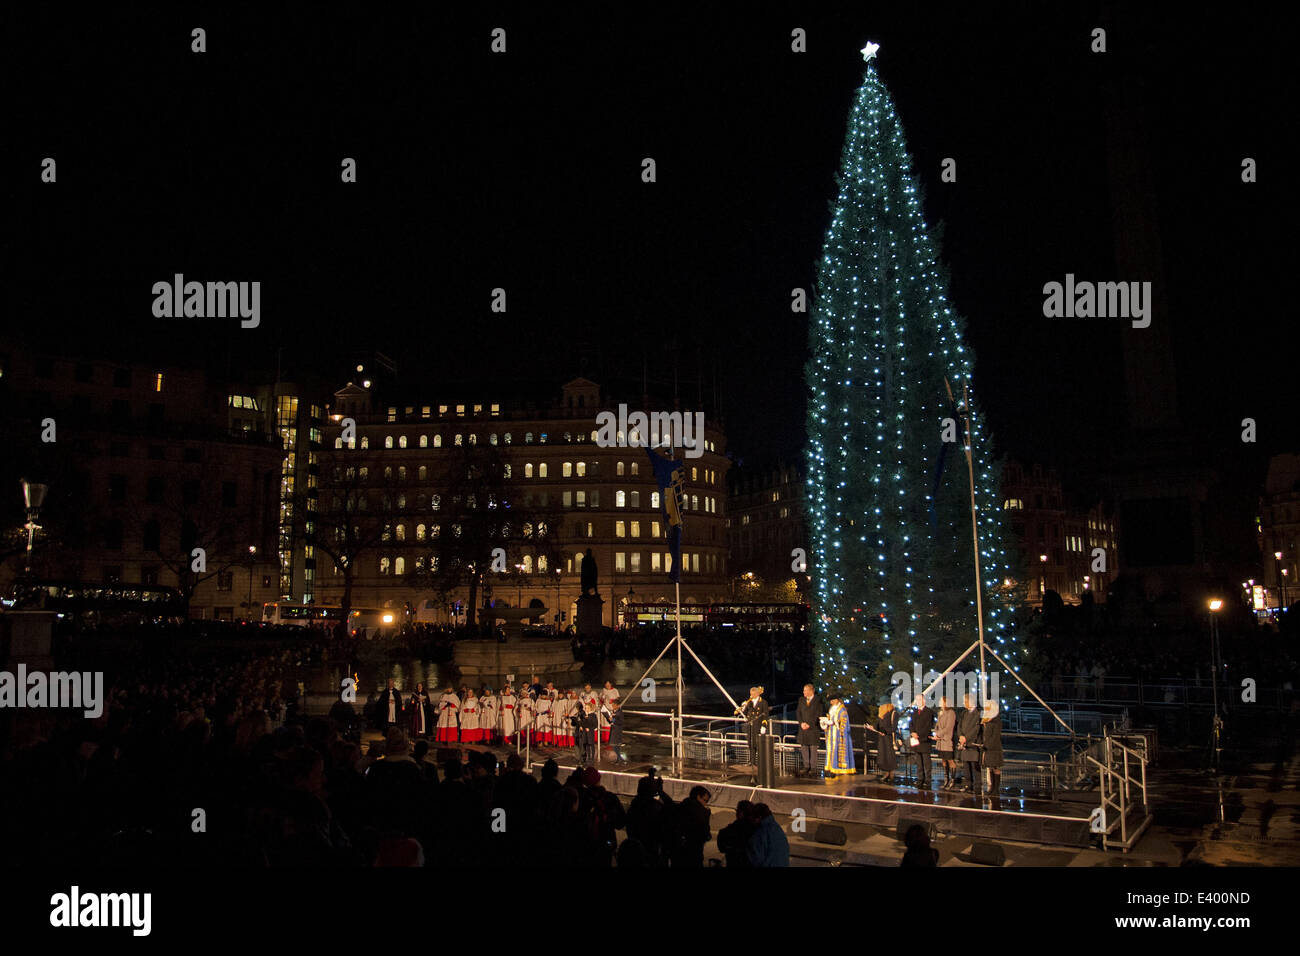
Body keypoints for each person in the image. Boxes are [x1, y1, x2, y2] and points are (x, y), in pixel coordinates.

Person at [671, 785, 712, 867]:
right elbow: (705, 834)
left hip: (677, 851)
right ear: (698, 797)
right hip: (693, 852)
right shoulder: (702, 812)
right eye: (705, 800)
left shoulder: (680, 806)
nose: (705, 804)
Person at [795, 683, 826, 777]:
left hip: (813, 728)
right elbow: (798, 712)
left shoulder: (818, 700)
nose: (804, 692)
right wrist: (801, 723)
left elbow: (819, 714)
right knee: (804, 747)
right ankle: (806, 766)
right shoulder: (801, 700)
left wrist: (810, 724)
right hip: (803, 728)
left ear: (811, 691)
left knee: (813, 748)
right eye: (803, 690)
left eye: (805, 690)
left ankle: (813, 768)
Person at [746, 803, 789, 867]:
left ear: (758, 818)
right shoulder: (777, 828)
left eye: (752, 818)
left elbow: (756, 859)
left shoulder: (760, 833)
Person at [716, 800, 756, 868]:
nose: (736, 813)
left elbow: (722, 845)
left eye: (737, 810)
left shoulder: (735, 827)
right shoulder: (757, 827)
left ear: (741, 813)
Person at [823, 693, 855, 776]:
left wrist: (835, 723)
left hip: (838, 733)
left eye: (833, 700)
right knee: (831, 750)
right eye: (831, 700)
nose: (831, 702)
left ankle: (837, 769)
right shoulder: (832, 708)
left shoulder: (842, 710)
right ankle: (830, 768)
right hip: (831, 732)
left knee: (837, 750)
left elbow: (843, 723)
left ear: (837, 700)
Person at [956, 693, 982, 795]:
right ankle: (968, 785)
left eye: (964, 700)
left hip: (973, 744)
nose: (963, 703)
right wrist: (961, 736)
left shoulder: (978, 713)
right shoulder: (964, 713)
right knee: (966, 766)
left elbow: (976, 728)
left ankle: (977, 786)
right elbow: (959, 726)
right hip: (964, 743)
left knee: (975, 767)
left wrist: (966, 738)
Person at [909, 693, 935, 790]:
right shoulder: (915, 712)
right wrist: (912, 733)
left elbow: (928, 726)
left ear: (924, 700)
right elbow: (911, 724)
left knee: (926, 762)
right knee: (919, 762)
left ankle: (928, 780)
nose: (918, 701)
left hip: (924, 740)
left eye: (920, 699)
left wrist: (919, 736)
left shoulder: (929, 712)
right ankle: (920, 778)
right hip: (916, 740)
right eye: (917, 699)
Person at [739, 686, 770, 765]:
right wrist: (744, 707)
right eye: (750, 694)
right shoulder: (749, 702)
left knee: (759, 744)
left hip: (758, 726)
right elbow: (745, 712)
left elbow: (765, 715)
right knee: (751, 743)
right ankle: (752, 761)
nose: (751, 696)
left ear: (757, 694)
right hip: (750, 725)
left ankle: (761, 762)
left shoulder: (763, 702)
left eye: (753, 694)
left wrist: (764, 726)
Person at [981, 698, 1004, 799]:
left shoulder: (996, 720)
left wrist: (988, 744)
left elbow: (995, 735)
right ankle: (992, 788)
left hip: (994, 747)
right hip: (988, 747)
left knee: (996, 767)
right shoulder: (987, 719)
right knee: (990, 766)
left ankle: (996, 789)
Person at [936, 696, 958, 790]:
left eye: (941, 701)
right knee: (943, 760)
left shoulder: (951, 713)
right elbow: (937, 725)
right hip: (940, 741)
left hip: (947, 740)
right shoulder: (941, 712)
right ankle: (946, 779)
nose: (940, 702)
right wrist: (937, 733)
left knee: (950, 759)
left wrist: (939, 734)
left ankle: (952, 780)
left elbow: (949, 727)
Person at [873, 702, 898, 783]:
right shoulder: (881, 714)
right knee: (883, 756)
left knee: (889, 756)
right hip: (882, 738)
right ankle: (886, 773)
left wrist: (885, 731)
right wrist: (875, 727)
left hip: (889, 738)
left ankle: (890, 774)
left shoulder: (893, 713)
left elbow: (894, 728)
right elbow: (877, 725)